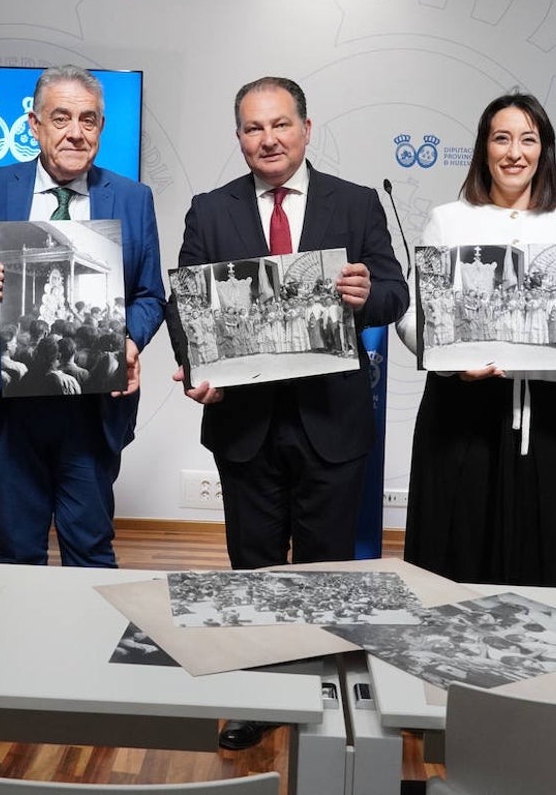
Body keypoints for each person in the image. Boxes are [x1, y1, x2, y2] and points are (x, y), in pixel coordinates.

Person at [167, 75, 406, 752]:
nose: (267, 139)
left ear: (306, 128)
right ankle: (261, 695)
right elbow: (186, 306)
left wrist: (366, 295)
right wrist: (201, 372)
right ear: (239, 136)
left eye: (279, 125)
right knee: (253, 570)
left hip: (333, 418)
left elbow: (395, 293)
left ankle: (325, 696)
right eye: (252, 128)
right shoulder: (210, 210)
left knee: (326, 571)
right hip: (244, 424)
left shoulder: (355, 204)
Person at [0, 64, 166, 568]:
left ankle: (90, 646)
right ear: (34, 125)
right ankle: (18, 648)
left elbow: (150, 296)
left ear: (102, 129)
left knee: (91, 549)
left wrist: (130, 340)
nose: (75, 132)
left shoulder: (131, 199)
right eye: (61, 117)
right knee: (17, 551)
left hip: (91, 400)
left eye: (89, 120)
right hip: (5, 404)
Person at [396, 93, 556, 588]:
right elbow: (412, 318)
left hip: (545, 416)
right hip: (459, 409)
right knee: (452, 547)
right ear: (484, 148)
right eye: (502, 138)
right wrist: (451, 363)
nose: (514, 152)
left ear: (545, 150)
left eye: (528, 139)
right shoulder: (447, 219)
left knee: (540, 546)